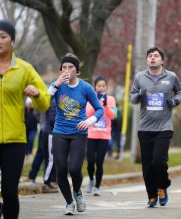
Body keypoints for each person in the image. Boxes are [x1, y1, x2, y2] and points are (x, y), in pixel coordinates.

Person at [0, 20, 50, 219]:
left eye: (3, 37)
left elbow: (45, 102)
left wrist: (36, 94)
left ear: (12, 40)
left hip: (15, 139)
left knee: (10, 190)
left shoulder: (24, 69)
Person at [47, 53, 104, 215]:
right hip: (59, 132)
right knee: (61, 169)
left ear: (76, 70)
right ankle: (69, 202)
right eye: (63, 67)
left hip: (79, 133)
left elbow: (99, 109)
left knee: (74, 169)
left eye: (70, 67)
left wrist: (89, 121)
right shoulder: (56, 86)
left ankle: (77, 191)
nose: (67, 70)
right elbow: (44, 100)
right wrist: (56, 84)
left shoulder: (85, 88)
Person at [130, 47, 181, 208]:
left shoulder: (171, 77)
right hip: (145, 128)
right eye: (150, 56)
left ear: (162, 60)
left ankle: (163, 185)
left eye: (156, 56)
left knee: (159, 161)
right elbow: (132, 97)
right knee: (147, 166)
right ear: (147, 60)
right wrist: (139, 96)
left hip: (164, 127)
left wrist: (175, 101)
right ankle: (152, 195)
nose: (152, 58)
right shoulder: (140, 77)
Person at [85, 77, 117, 196]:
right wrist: (96, 103)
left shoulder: (111, 99)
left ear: (107, 88)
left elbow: (113, 116)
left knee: (99, 161)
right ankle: (91, 180)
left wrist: (106, 105)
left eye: (104, 86)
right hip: (91, 135)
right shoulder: (90, 99)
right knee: (90, 161)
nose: (101, 88)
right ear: (95, 87)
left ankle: (97, 187)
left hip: (104, 136)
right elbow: (87, 115)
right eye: (99, 86)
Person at [27, 99, 58, 193]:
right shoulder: (52, 101)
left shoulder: (56, 100)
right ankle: (45, 182)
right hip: (48, 131)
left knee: (48, 157)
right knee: (49, 158)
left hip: (49, 131)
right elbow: (52, 119)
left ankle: (49, 180)